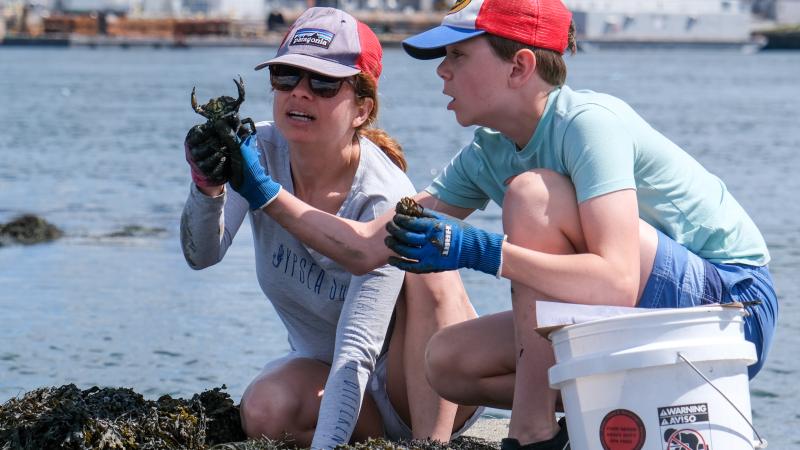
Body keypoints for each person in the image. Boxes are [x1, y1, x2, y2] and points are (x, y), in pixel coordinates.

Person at [213, 1, 778, 449]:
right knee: (448, 365)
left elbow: (615, 280)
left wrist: (480, 250)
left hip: (725, 309)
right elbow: (367, 249)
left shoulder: (589, 124)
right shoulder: (487, 151)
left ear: (519, 65)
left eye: (458, 55)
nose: (442, 71)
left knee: (532, 195)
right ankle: (575, 420)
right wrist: (263, 192)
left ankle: (530, 433)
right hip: (641, 328)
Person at [180, 7, 480, 449]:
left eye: (323, 83)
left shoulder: (381, 194)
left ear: (362, 109)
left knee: (426, 260)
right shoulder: (257, 150)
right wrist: (206, 188)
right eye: (286, 77)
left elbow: (358, 352)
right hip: (333, 383)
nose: (300, 93)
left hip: (422, 386)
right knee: (264, 407)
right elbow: (201, 255)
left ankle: (430, 444)